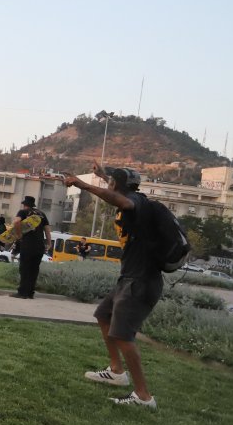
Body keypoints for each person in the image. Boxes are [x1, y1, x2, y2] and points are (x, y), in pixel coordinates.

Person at [64, 164, 161, 408]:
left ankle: (143, 396)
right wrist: (101, 176)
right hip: (130, 277)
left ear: (116, 186)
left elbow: (124, 202)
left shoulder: (135, 202)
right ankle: (117, 371)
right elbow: (119, 193)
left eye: (110, 182)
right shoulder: (131, 195)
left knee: (123, 335)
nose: (108, 185)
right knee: (103, 315)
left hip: (140, 281)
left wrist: (84, 184)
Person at [9, 196, 51, 299]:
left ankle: (22, 293)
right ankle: (30, 293)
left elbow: (16, 222)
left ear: (25, 205)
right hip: (40, 246)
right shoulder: (42, 214)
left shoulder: (23, 212)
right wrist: (49, 243)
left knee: (24, 268)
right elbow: (47, 230)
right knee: (34, 270)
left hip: (28, 245)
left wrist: (19, 235)